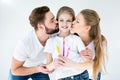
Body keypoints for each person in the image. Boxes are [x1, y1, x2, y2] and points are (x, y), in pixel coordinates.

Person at [9, 6, 59, 80]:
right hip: (22, 69)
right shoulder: (25, 44)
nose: (56, 22)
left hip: (40, 68)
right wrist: (38, 69)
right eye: (52, 20)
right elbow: (15, 70)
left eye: (54, 18)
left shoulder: (54, 35)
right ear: (41, 27)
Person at [58, 9, 107, 80]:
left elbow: (93, 66)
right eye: (74, 19)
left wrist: (73, 64)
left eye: (77, 21)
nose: (72, 22)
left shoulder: (100, 42)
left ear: (87, 28)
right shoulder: (71, 39)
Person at [44, 6, 90, 80]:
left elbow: (87, 61)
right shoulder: (51, 41)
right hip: (62, 78)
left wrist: (74, 64)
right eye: (61, 20)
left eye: (68, 20)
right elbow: (47, 68)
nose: (64, 23)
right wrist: (53, 64)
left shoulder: (76, 39)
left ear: (72, 22)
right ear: (57, 21)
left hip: (80, 75)